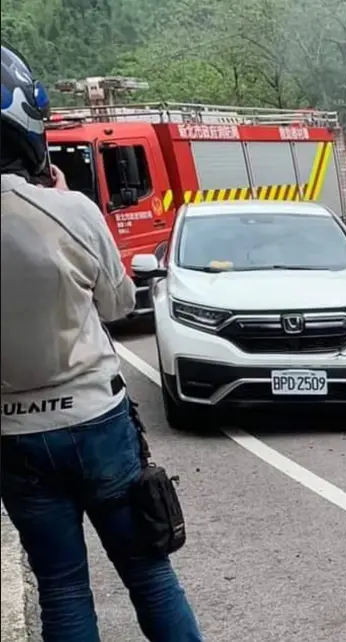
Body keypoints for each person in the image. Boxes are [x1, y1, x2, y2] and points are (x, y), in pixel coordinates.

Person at [0, 46, 203, 641]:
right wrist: (66, 203)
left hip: (13, 434)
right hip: (96, 420)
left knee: (62, 589)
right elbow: (117, 305)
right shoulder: (70, 211)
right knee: (148, 572)